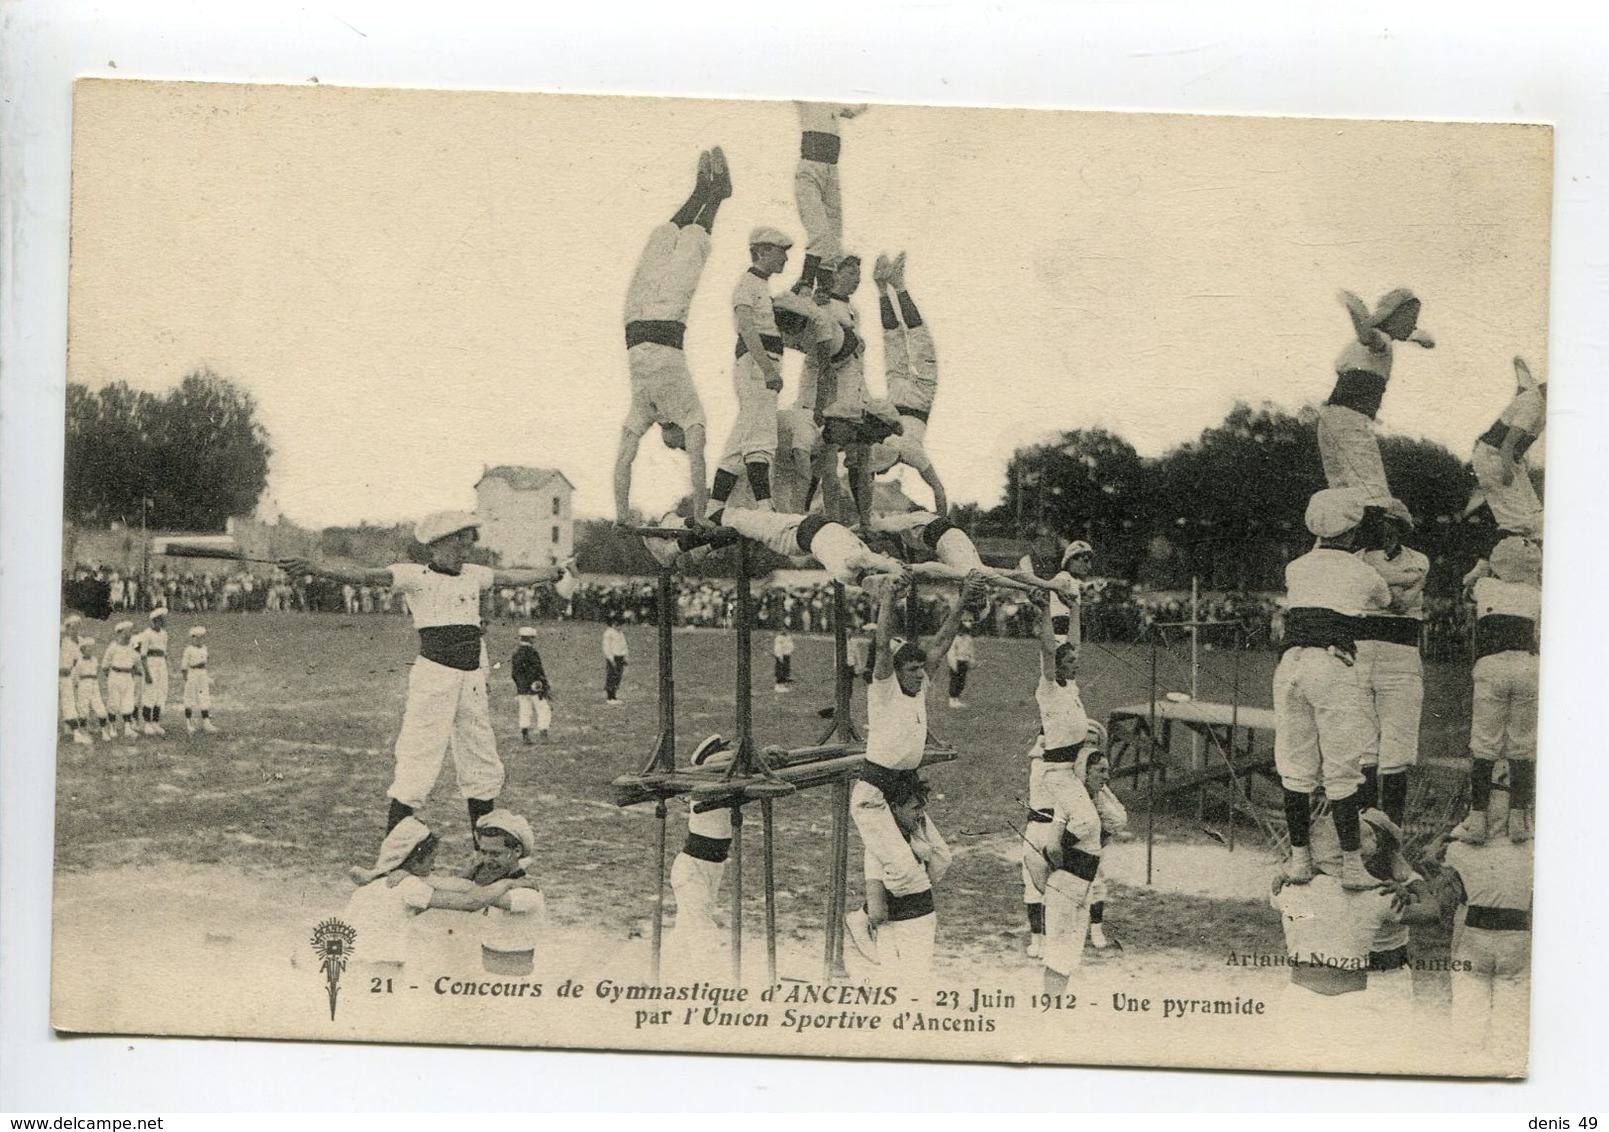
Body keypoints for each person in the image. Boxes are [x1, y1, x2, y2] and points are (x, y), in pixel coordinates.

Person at [279, 511, 571, 840]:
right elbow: (363, 575)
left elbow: (513, 577)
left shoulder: (474, 574)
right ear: (437, 545)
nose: (466, 549)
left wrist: (553, 571)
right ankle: (393, 857)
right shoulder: (414, 575)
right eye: (459, 542)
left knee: (481, 761)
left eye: (468, 542)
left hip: (472, 681)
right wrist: (317, 568)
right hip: (435, 679)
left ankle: (485, 855)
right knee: (418, 759)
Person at [847, 574, 978, 983]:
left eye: (922, 670)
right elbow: (883, 646)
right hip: (874, 794)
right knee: (906, 875)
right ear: (896, 671)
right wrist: (887, 600)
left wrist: (961, 602)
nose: (921, 675)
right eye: (913, 670)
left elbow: (939, 643)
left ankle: (878, 882)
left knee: (939, 858)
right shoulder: (883, 688)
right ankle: (865, 916)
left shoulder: (918, 687)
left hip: (904, 792)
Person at [1274, 487, 1393, 889]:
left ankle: (1299, 860)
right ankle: (1353, 865)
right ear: (1352, 530)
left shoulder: (1297, 567)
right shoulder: (1362, 571)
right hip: (1331, 663)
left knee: (1295, 770)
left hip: (1290, 664)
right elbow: (1385, 597)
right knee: (1342, 770)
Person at [614, 148, 732, 526]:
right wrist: (699, 514)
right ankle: (716, 196)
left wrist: (621, 512)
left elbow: (624, 459)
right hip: (666, 320)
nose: (673, 446)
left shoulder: (642, 411)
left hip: (634, 321)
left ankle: (702, 191)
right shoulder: (690, 412)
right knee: (690, 250)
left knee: (660, 243)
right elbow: (698, 462)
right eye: (678, 444)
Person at [342, 817, 537, 975]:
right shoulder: (409, 886)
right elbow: (472, 902)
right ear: (415, 860)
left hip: (346, 966)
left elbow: (451, 886)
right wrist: (508, 883)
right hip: (378, 968)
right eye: (431, 860)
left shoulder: (375, 885)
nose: (433, 867)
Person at [1319, 289, 1435, 536]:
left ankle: (1333, 547)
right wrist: (1357, 311)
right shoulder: (1381, 341)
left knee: (1340, 490)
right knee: (1372, 489)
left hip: (1330, 418)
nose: (1414, 324)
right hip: (1352, 418)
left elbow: (1413, 334)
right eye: (1411, 318)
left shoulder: (1375, 341)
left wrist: (1417, 336)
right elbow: (1366, 335)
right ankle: (1373, 546)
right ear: (1393, 317)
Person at [1453, 536, 1541, 845]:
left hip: (1492, 665)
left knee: (1484, 745)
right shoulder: (1535, 594)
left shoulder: (1487, 587)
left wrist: (1483, 566)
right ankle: (1518, 818)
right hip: (1528, 666)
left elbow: (1468, 583)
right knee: (1522, 747)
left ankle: (1478, 818)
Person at [1436, 782, 1533, 1063]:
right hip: (1517, 933)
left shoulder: (1459, 851)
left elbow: (1433, 855)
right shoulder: (1532, 849)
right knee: (1510, 1028)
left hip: (1474, 933)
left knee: (1466, 1027)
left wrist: (1461, 831)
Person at [708, 227, 793, 525]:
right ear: (762, 251)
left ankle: (713, 507)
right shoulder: (748, 284)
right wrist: (768, 370)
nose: (785, 257)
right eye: (780, 250)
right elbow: (746, 327)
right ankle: (765, 508)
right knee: (761, 436)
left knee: (739, 442)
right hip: (758, 365)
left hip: (761, 364)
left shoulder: (760, 286)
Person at [1355, 498, 1429, 826]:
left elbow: (1400, 604)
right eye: (1380, 523)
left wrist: (1377, 583)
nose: (1385, 530)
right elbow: (1389, 593)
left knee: (1396, 746)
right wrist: (1393, 582)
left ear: (1401, 526)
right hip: (1361, 652)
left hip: (1400, 655)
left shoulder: (1420, 561)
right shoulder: (1356, 560)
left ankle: (1392, 835)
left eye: (1392, 524)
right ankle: (1368, 828)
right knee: (1363, 744)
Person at [843, 773, 951, 986]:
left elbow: (941, 858)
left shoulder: (916, 836)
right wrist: (873, 913)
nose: (920, 815)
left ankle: (860, 917)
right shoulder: (877, 851)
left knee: (912, 983)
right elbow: (878, 912)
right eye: (914, 809)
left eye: (922, 809)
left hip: (922, 918)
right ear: (894, 808)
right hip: (901, 924)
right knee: (902, 984)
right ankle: (859, 918)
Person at [865, 252, 948, 513]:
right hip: (895, 398)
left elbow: (939, 489)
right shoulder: (876, 446)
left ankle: (896, 285)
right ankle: (882, 287)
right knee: (893, 340)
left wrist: (942, 519)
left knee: (916, 338)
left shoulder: (910, 453)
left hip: (919, 400)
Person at [1034, 743, 1110, 994]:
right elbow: (1054, 847)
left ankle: (1055, 1006)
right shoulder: (1080, 805)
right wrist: (1062, 870)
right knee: (1059, 955)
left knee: (1068, 956)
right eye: (1100, 771)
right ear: (1084, 771)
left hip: (1078, 887)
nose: (1106, 777)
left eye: (1107, 771)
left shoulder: (1081, 799)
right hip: (1068, 886)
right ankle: (1050, 1009)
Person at [668, 737, 736, 971]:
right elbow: (728, 761)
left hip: (711, 867)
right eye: (724, 749)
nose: (730, 751)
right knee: (702, 929)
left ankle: (663, 972)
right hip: (692, 870)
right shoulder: (707, 788)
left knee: (687, 926)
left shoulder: (725, 781)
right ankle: (710, 979)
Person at [1466, 356, 1546, 542]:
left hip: (1512, 458)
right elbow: (1507, 444)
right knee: (1518, 521)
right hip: (1497, 456)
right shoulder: (1532, 405)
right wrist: (1507, 472)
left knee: (1536, 517)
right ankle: (1498, 560)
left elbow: (1524, 380)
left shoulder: (1538, 394)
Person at [791, 101, 868, 294]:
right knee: (820, 231)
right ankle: (806, 283)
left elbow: (852, 111)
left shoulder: (834, 101)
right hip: (811, 168)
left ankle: (825, 289)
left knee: (834, 235)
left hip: (831, 171)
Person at [102, 620, 142, 739]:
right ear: (120, 633)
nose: (129, 634)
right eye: (127, 632)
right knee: (113, 702)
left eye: (130, 631)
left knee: (128, 702)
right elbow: (105, 665)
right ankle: (112, 726)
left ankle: (127, 727)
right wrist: (111, 677)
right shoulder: (113, 646)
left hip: (128, 677)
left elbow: (137, 662)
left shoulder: (133, 646)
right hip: (115, 675)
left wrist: (132, 673)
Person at [511, 626, 552, 742]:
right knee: (543, 709)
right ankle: (543, 735)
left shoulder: (516, 653)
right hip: (535, 687)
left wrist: (520, 685)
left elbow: (514, 673)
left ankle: (525, 736)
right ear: (530, 639)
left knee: (524, 711)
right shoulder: (532, 652)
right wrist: (544, 684)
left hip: (522, 688)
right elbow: (538, 670)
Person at [135, 606, 171, 736]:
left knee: (160, 693)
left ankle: (156, 722)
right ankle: (147, 723)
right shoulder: (147, 634)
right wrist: (147, 673)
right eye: (161, 619)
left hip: (161, 665)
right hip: (151, 664)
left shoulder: (164, 634)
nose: (164, 622)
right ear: (156, 620)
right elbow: (143, 656)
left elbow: (164, 653)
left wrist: (166, 667)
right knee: (149, 693)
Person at [72, 636, 113, 741]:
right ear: (82, 650)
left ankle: (104, 731)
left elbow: (97, 673)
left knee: (100, 708)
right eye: (87, 649)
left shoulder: (94, 660)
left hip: (94, 686)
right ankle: (83, 731)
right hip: (83, 686)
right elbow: (75, 677)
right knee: (83, 709)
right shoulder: (79, 662)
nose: (90, 651)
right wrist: (78, 687)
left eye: (91, 648)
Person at [180, 625, 217, 733]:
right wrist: (186, 678)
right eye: (196, 637)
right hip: (192, 673)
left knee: (204, 696)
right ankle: (188, 723)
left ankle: (206, 722)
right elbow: (183, 667)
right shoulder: (189, 650)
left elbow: (204, 663)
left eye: (201, 638)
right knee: (190, 698)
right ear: (192, 638)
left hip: (202, 674)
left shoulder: (204, 648)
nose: (199, 640)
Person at [60, 615, 89, 745]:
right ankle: (74, 731)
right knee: (67, 702)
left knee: (78, 700)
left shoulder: (81, 641)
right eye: (72, 626)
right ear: (67, 628)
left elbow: (81, 658)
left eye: (77, 626)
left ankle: (75, 729)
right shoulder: (63, 642)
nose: (75, 629)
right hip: (63, 676)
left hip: (75, 673)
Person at [945, 620, 975, 709]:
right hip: (956, 661)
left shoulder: (969, 639)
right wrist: (953, 663)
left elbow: (970, 650)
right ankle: (952, 699)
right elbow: (951, 652)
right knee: (954, 680)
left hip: (964, 661)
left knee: (961, 681)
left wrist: (971, 659)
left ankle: (957, 698)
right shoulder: (956, 639)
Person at [602, 617, 629, 706]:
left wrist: (625, 656)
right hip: (613, 657)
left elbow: (624, 645)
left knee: (618, 676)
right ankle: (610, 696)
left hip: (620, 657)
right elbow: (607, 646)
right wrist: (610, 658)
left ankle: (614, 695)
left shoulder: (620, 633)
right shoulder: (609, 633)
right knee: (612, 675)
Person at [772, 628, 795, 693]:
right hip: (781, 656)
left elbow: (791, 646)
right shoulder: (779, 638)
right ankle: (779, 684)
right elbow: (777, 648)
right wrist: (779, 656)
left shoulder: (789, 637)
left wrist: (790, 651)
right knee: (780, 669)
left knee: (786, 669)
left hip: (787, 655)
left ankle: (785, 683)